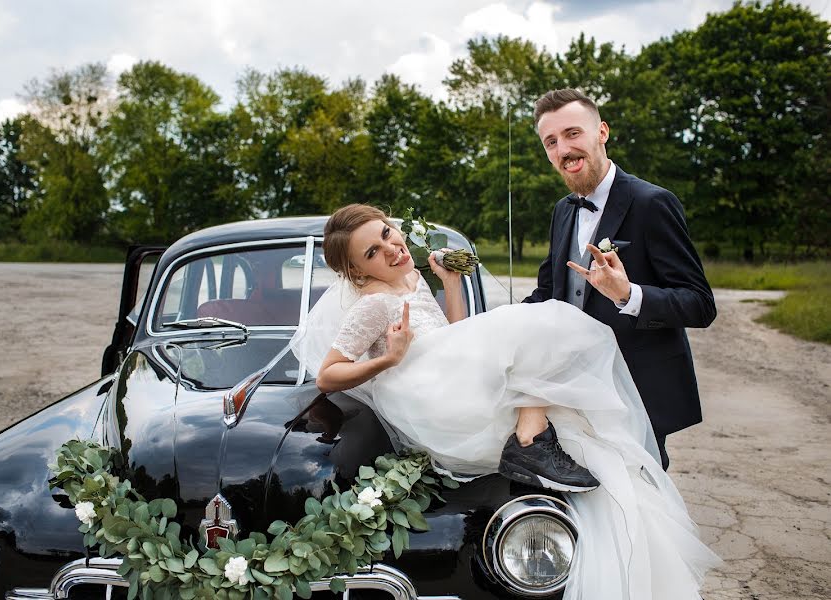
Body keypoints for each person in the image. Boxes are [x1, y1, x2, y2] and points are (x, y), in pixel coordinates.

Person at [291, 203, 719, 599]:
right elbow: (328, 375)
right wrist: (388, 358)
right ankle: (531, 438)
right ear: (356, 269)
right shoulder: (373, 305)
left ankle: (534, 439)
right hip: (434, 405)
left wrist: (452, 285)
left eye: (387, 233)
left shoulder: (410, 279)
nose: (390, 247)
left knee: (587, 433)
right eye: (372, 251)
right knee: (543, 322)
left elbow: (455, 335)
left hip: (448, 383)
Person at [524, 89, 716, 470]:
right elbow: (549, 293)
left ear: (602, 133)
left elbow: (700, 303)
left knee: (643, 507)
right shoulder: (562, 211)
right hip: (576, 391)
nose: (563, 149)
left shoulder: (652, 203)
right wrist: (496, 327)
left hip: (638, 394)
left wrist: (629, 295)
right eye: (551, 142)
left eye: (573, 133)